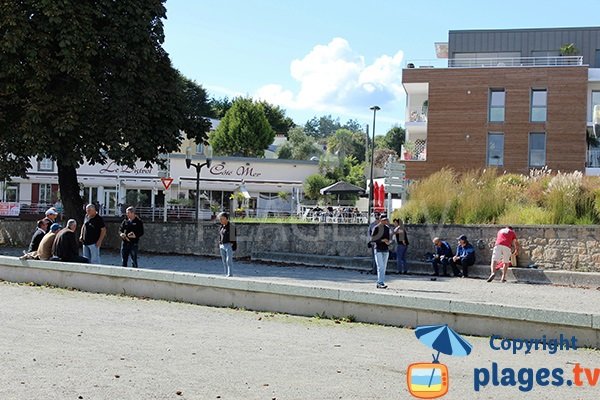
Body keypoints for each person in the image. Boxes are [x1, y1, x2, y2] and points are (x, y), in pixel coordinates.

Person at [371, 213, 392, 289]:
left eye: (386, 220)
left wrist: (388, 242)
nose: (385, 221)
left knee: (384, 267)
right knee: (381, 267)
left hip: (385, 249)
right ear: (380, 220)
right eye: (383, 220)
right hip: (378, 249)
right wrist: (382, 240)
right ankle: (380, 282)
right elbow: (373, 239)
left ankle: (381, 282)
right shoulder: (376, 228)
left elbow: (389, 238)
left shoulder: (387, 228)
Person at [218, 212, 236, 277]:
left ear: (226, 218)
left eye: (221, 219)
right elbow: (220, 235)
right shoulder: (221, 227)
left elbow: (233, 237)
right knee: (224, 261)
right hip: (222, 245)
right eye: (220, 219)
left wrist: (231, 244)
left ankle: (230, 274)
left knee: (228, 260)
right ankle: (226, 273)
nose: (220, 220)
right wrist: (220, 243)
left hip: (228, 245)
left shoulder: (231, 226)